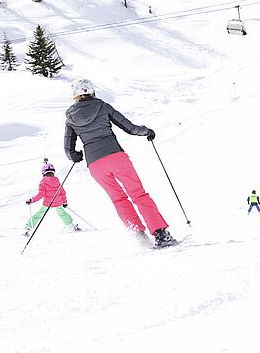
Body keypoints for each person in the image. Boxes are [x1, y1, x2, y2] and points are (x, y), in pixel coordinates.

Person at [64, 78, 177, 248]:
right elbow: (130, 128)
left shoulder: (70, 117)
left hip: (95, 165)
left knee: (118, 199)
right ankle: (161, 234)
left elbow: (68, 149)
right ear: (92, 91)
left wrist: (76, 155)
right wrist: (147, 131)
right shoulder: (102, 106)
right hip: (116, 157)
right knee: (138, 195)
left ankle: (139, 235)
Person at [24, 159, 79, 235]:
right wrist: (64, 202)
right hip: (58, 202)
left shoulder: (43, 182)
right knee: (62, 214)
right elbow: (62, 192)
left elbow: (41, 194)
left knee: (40, 214)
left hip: (48, 203)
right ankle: (70, 226)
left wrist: (32, 200)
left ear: (43, 173)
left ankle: (29, 227)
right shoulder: (57, 180)